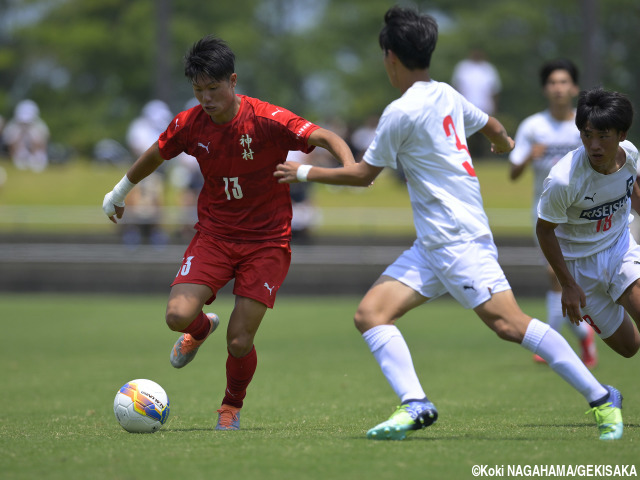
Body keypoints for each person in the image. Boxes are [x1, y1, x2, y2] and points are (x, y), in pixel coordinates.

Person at [275, 6, 622, 441]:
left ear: (391, 58)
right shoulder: (446, 93)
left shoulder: (400, 112)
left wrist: (302, 172)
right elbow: (492, 125)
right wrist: (502, 141)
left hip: (457, 240)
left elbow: (364, 175)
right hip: (432, 244)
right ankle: (415, 404)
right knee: (371, 314)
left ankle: (602, 398)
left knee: (510, 325)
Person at [102, 35, 355, 431]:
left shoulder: (267, 120)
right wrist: (119, 192)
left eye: (213, 88)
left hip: (267, 242)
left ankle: (230, 407)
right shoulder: (189, 124)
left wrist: (348, 166)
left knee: (239, 341)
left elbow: (324, 135)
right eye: (198, 90)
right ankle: (200, 329)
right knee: (177, 315)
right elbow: (156, 152)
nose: (205, 97)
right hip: (215, 236)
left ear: (233, 81)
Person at [537, 88, 638, 433]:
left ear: (621, 136)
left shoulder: (631, 155)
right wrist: (567, 284)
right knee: (629, 347)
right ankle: (609, 394)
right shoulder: (564, 179)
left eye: (603, 136)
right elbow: (545, 231)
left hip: (622, 249)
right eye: (587, 135)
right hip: (582, 268)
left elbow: (632, 187)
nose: (594, 145)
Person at [509, 59, 597, 367]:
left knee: (563, 278)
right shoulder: (533, 126)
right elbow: (513, 172)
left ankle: (554, 340)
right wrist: (526, 159)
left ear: (573, 87)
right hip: (546, 215)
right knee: (555, 277)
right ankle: (582, 336)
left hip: (582, 214)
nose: (558, 88)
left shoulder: (585, 125)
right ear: (546, 88)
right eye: (552, 82)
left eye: (563, 82)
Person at [2, 99, 50, 172]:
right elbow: (10, 145)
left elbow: (43, 145)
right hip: (20, 153)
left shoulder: (40, 127)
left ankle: (34, 160)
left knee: (35, 137)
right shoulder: (12, 127)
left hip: (35, 153)